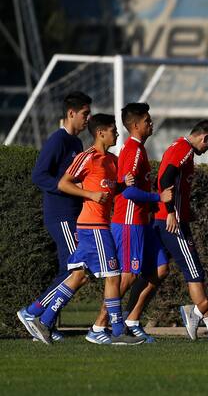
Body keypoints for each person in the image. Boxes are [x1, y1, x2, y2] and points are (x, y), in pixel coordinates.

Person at [26, 114, 144, 345]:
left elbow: (107, 191)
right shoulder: (87, 157)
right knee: (113, 275)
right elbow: (63, 183)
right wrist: (89, 195)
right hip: (93, 226)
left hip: (99, 225)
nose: (117, 134)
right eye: (113, 131)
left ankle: (45, 320)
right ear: (101, 132)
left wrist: (122, 185)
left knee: (79, 275)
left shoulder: (112, 160)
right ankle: (118, 331)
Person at [154, 119, 208, 341]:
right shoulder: (184, 150)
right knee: (195, 272)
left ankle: (128, 321)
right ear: (204, 138)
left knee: (153, 273)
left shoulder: (179, 148)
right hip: (171, 222)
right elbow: (164, 179)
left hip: (167, 219)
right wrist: (171, 212)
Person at [18, 92, 92, 341]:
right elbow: (39, 176)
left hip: (73, 215)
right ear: (71, 113)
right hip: (60, 215)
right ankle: (33, 312)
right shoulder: (58, 140)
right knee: (77, 270)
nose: (88, 119)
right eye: (85, 114)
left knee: (72, 270)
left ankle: (45, 322)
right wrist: (64, 187)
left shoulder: (77, 144)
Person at [103, 103, 173, 343]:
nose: (151, 124)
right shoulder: (132, 150)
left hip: (143, 221)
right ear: (135, 125)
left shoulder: (139, 149)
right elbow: (129, 193)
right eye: (147, 121)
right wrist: (157, 198)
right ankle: (100, 325)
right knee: (128, 276)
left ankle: (132, 319)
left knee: (160, 269)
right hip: (129, 220)